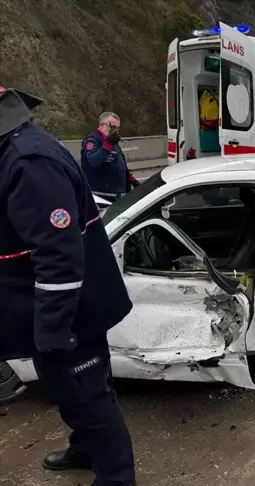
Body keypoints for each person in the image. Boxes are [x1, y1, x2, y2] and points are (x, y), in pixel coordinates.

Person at [0, 86, 136, 485]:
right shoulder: (13, 148)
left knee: (88, 397)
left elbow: (58, 257)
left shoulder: (27, 161)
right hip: (59, 308)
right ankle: (84, 448)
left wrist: (54, 331)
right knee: (71, 390)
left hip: (71, 312)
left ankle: (116, 477)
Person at [81, 112, 139, 203]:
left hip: (118, 191)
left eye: (118, 128)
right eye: (113, 127)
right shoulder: (93, 140)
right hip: (104, 194)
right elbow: (93, 161)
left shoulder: (112, 140)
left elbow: (119, 161)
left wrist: (130, 179)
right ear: (102, 125)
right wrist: (107, 144)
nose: (115, 131)